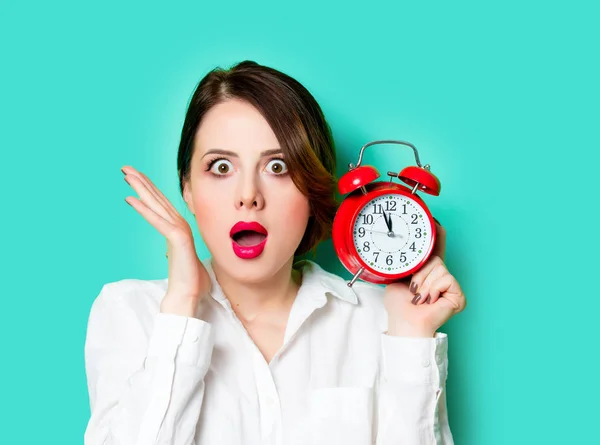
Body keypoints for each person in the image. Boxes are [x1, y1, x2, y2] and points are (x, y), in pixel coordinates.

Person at [83, 60, 467, 445]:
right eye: (220, 167)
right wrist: (183, 303)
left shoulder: (377, 320)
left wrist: (410, 337)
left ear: (312, 189)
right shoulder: (132, 313)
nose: (248, 195)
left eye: (278, 166)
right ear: (188, 189)